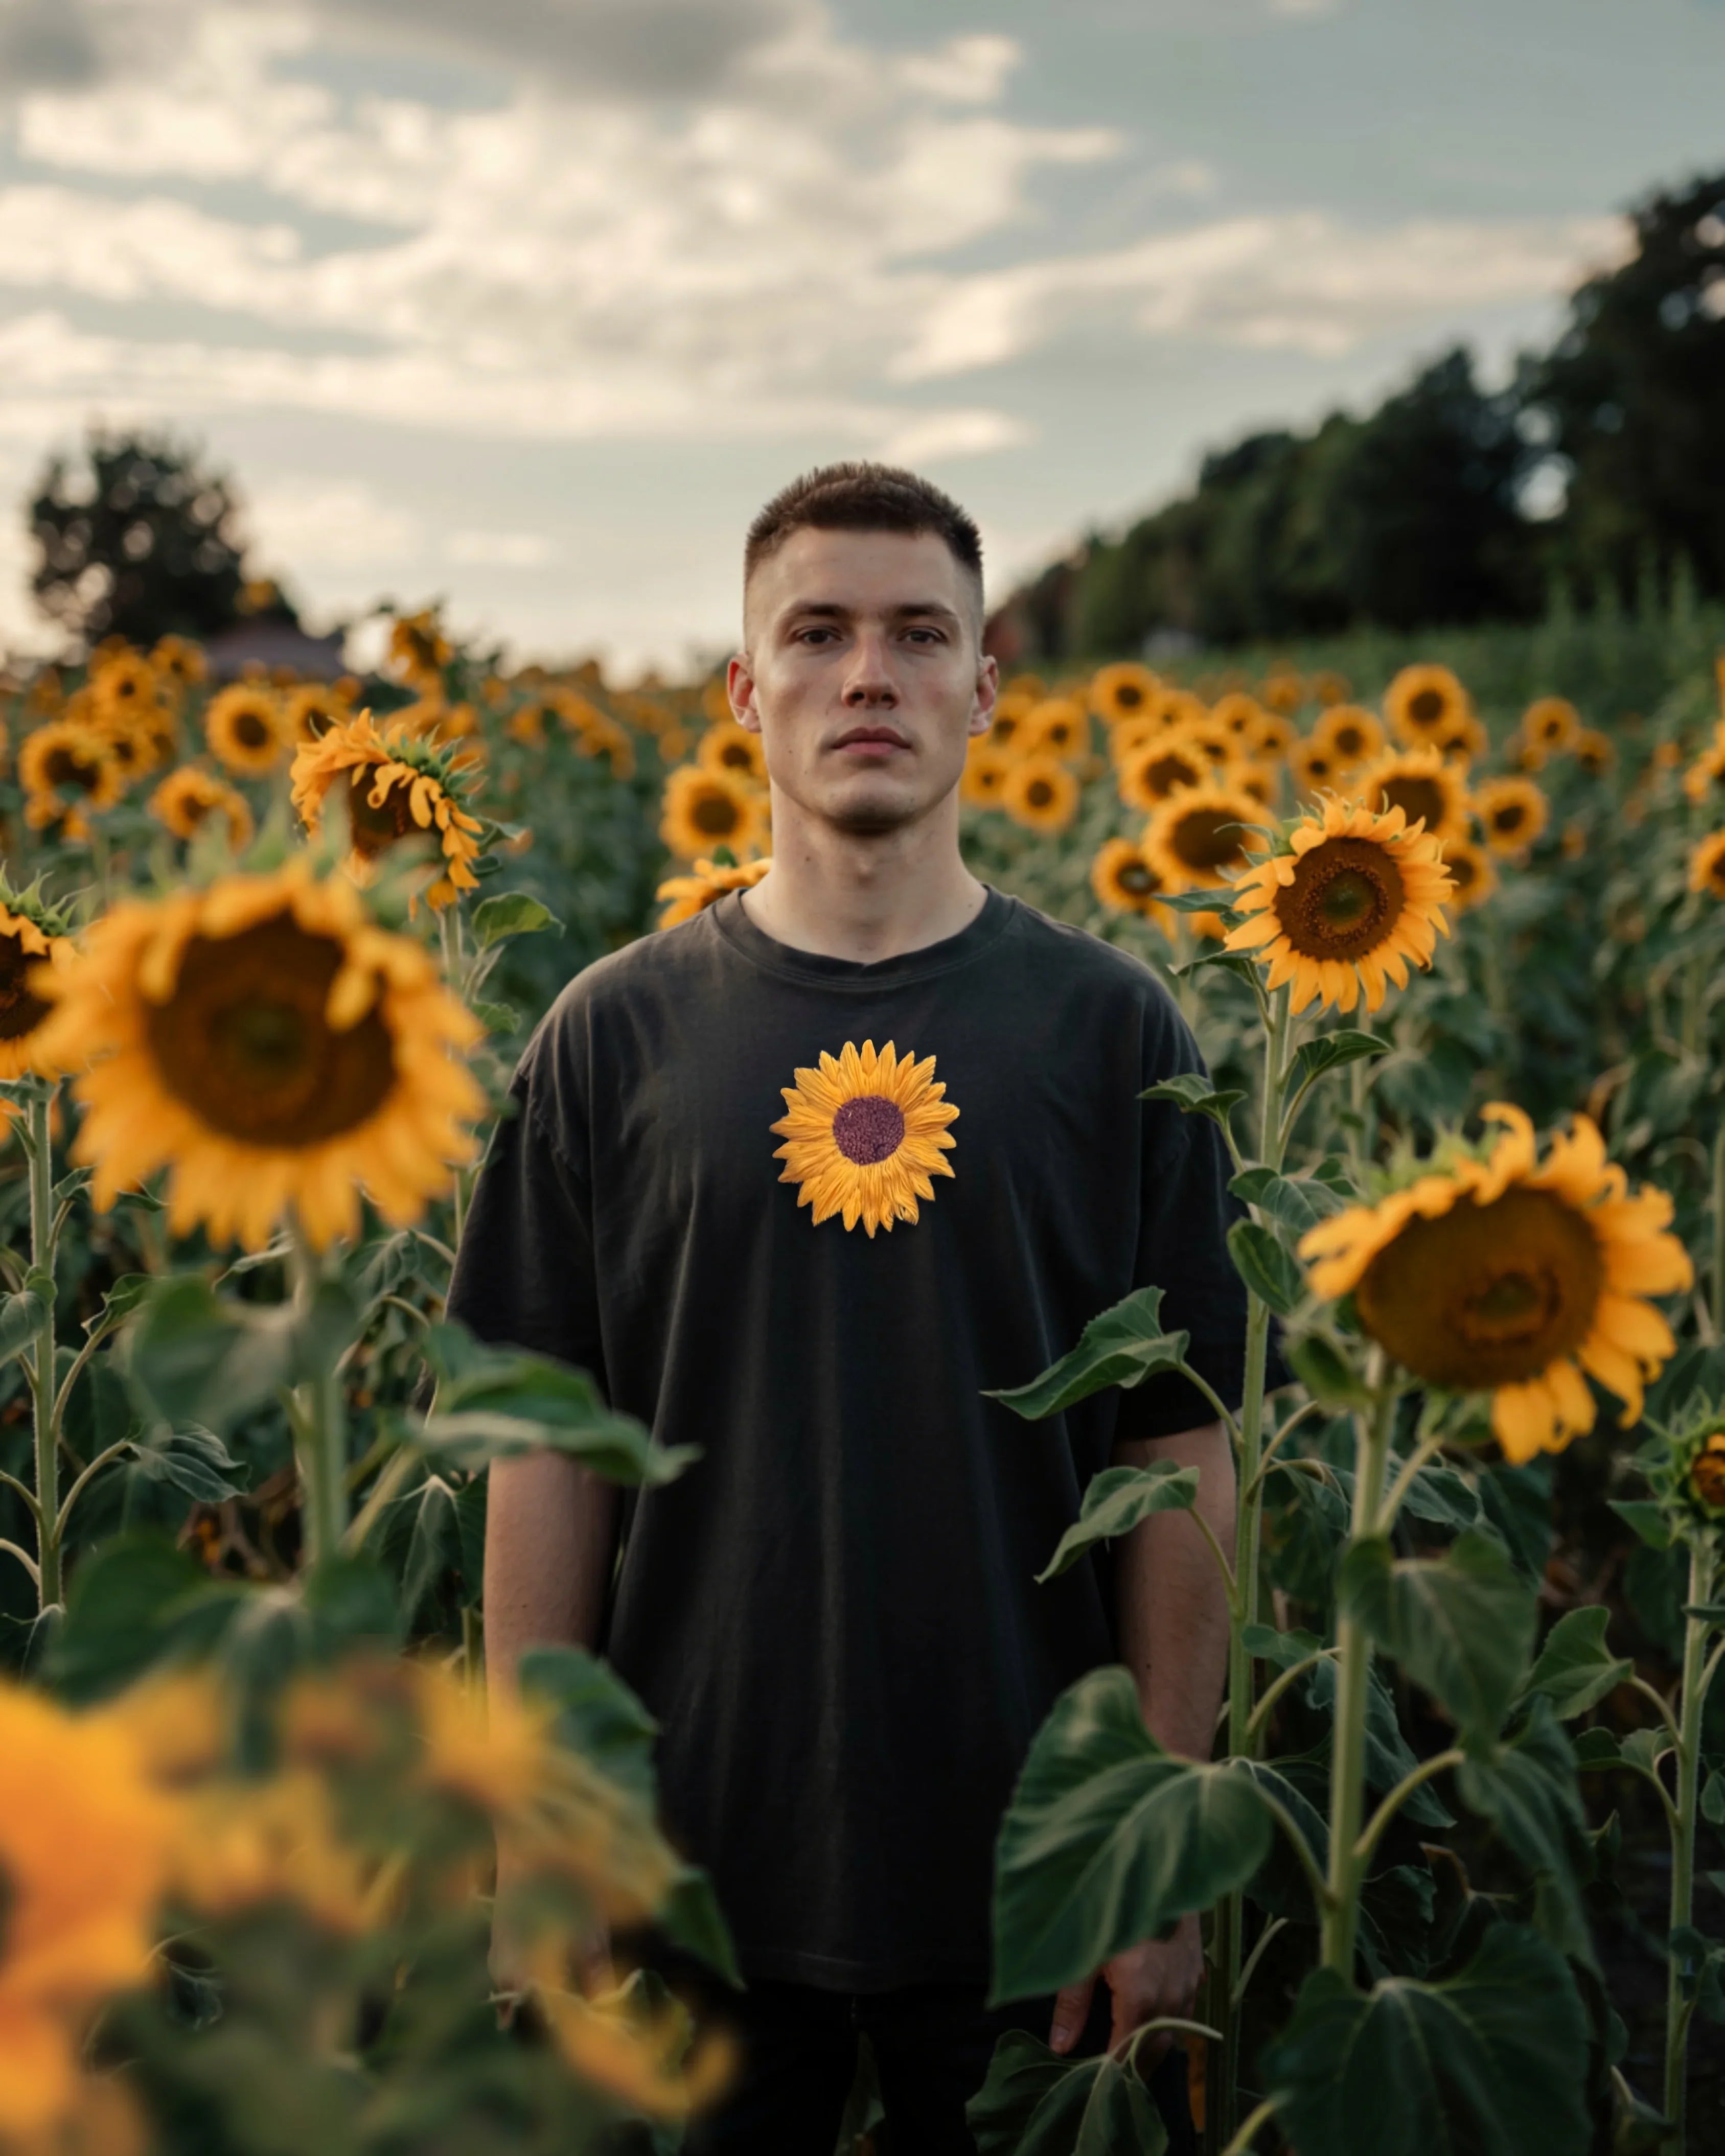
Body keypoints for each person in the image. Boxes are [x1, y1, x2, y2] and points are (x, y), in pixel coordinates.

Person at [450, 462, 1247, 2154]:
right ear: (745, 690)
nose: (868, 674)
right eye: (816, 632)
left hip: (1038, 1877)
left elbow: (1177, 1449)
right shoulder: (610, 1041)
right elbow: (543, 1456)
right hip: (688, 1872)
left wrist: (1152, 1847)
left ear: (985, 686)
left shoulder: (1116, 1037)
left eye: (917, 633)